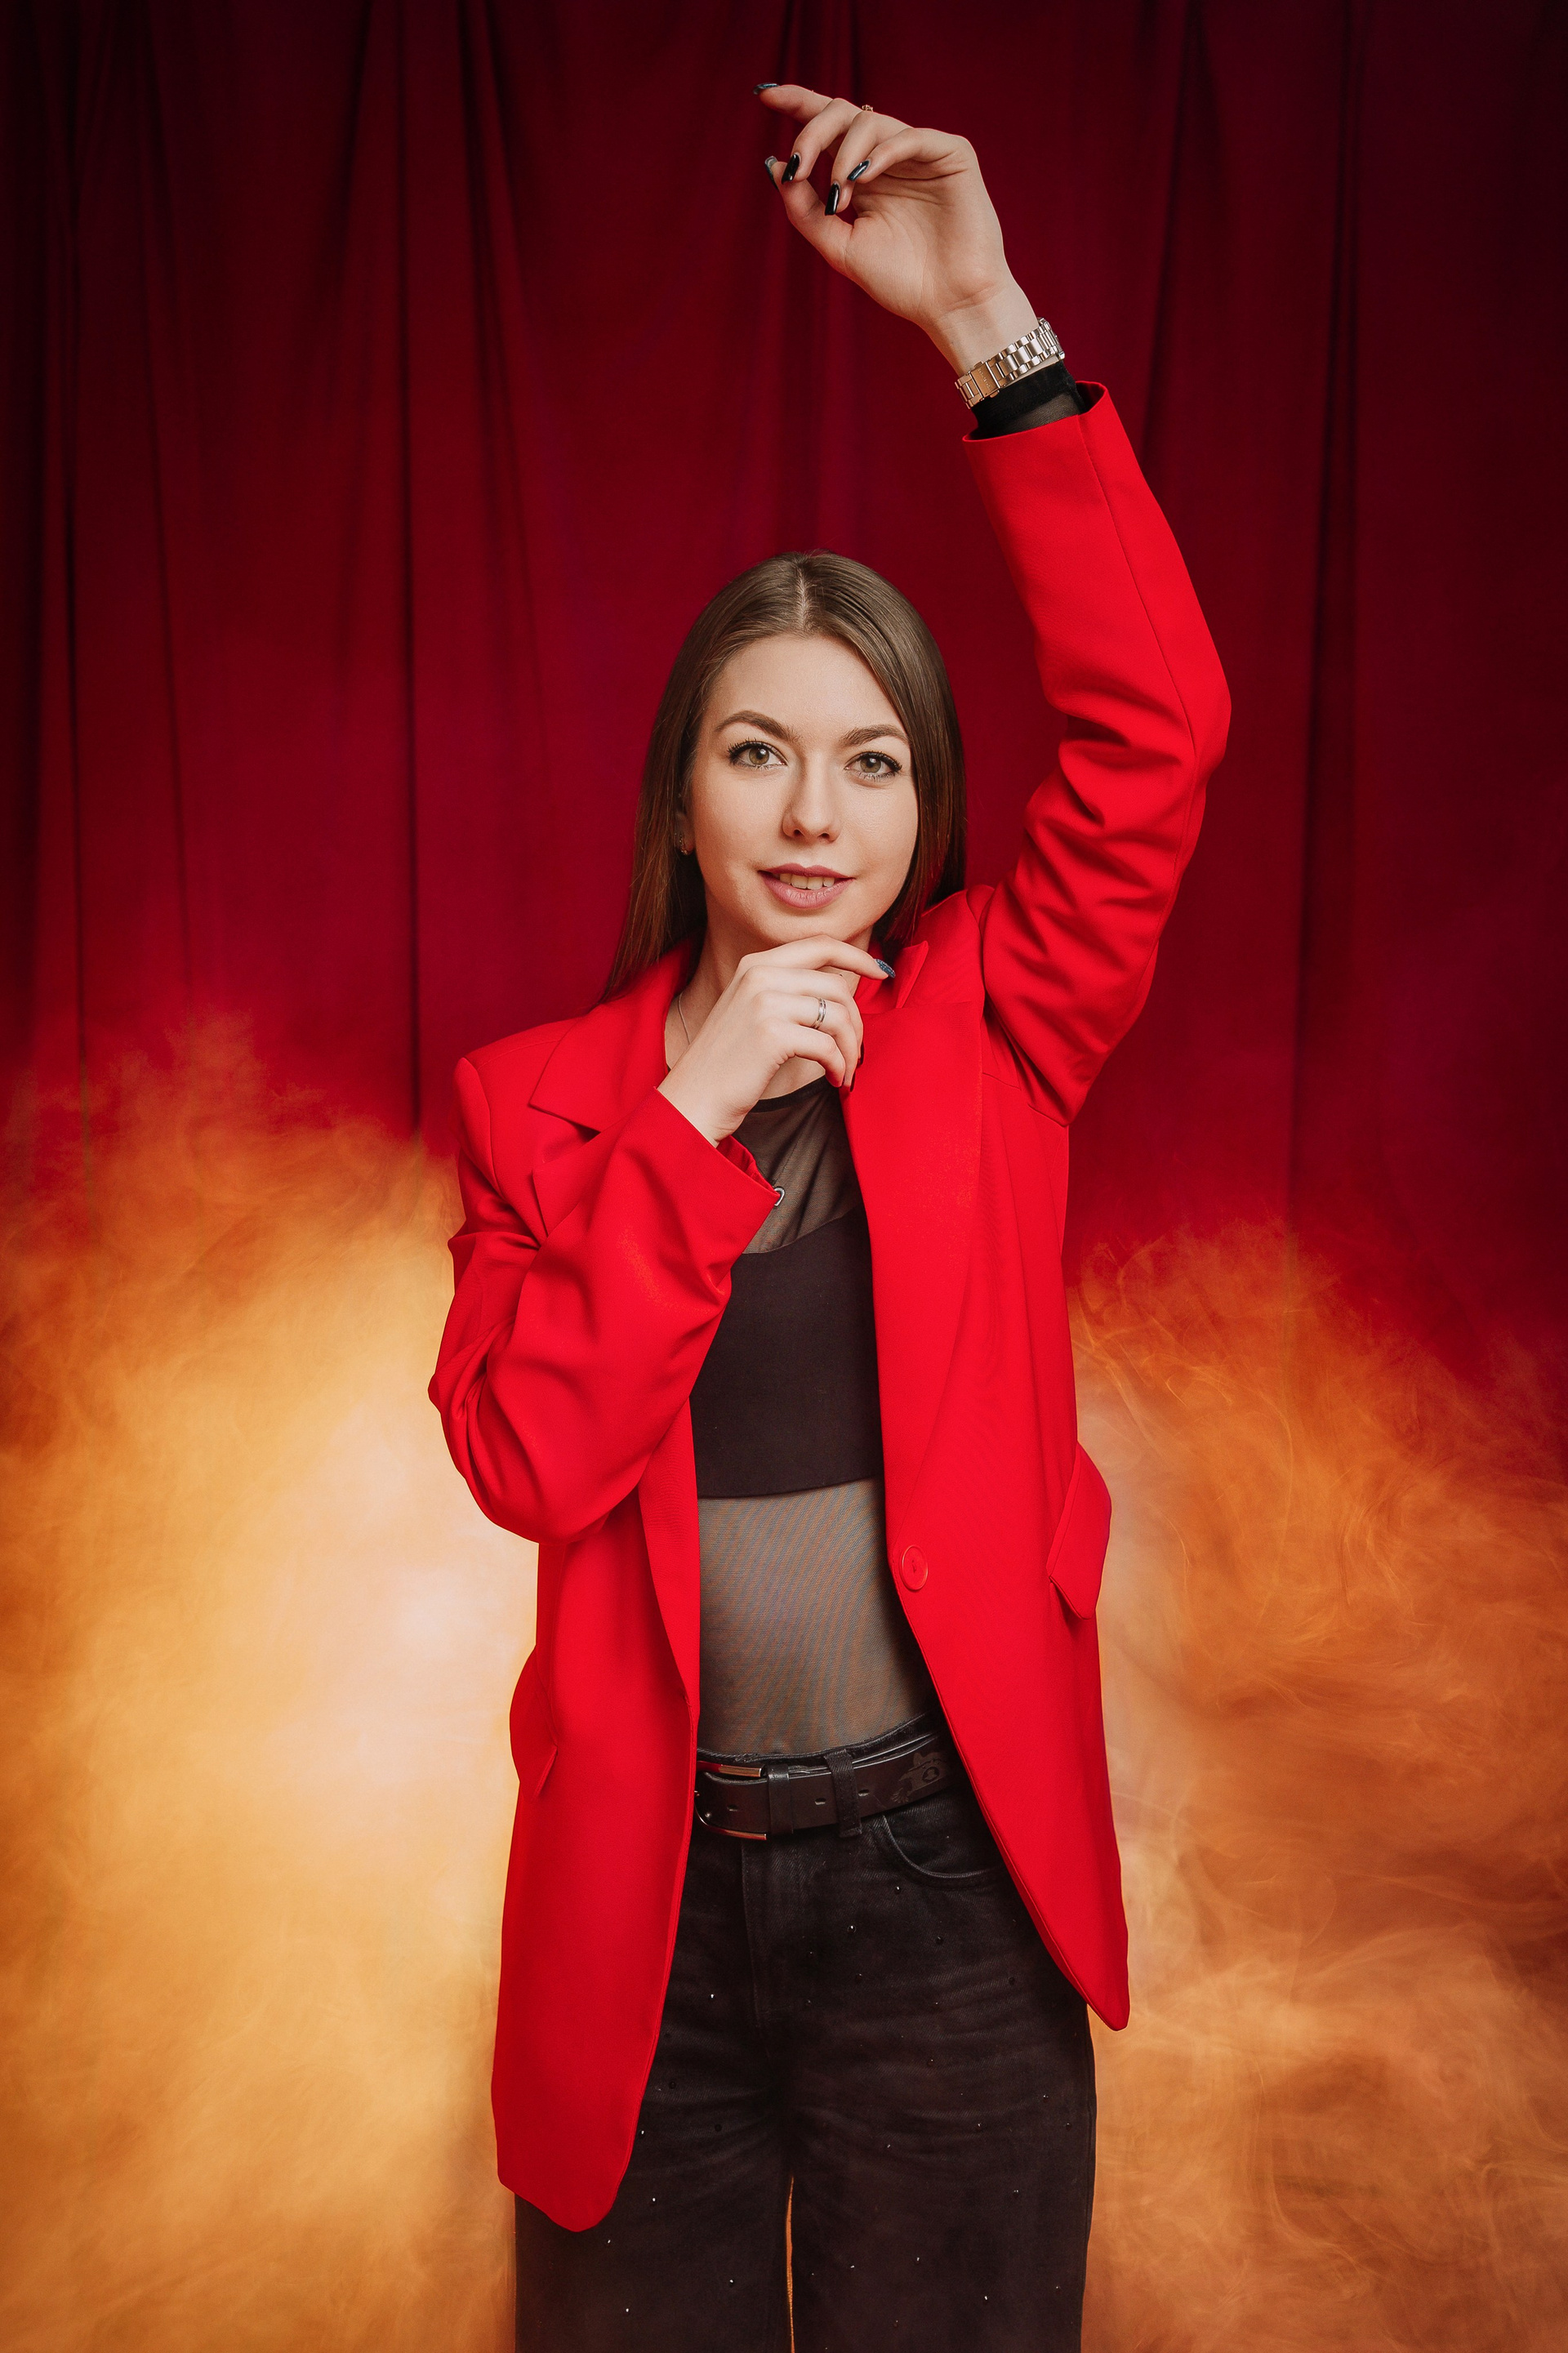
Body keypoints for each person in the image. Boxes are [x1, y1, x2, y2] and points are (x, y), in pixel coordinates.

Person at [430, 81, 1229, 2353]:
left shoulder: (1000, 1013)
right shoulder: (535, 1103)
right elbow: (531, 1461)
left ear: (921, 810)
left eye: (872, 760)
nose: (814, 812)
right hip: (650, 1925)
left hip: (944, 1885)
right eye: (759, 750)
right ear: (684, 796)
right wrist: (692, 1108)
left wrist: (989, 327)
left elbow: (1162, 733)